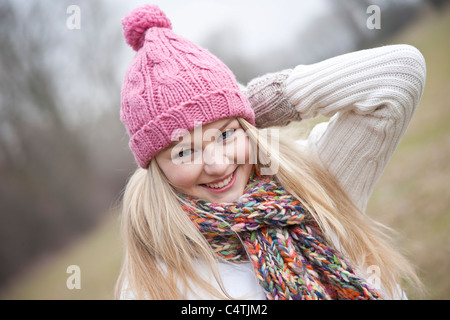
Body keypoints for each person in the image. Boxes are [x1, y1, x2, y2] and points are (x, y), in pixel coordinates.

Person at [114, 4, 426, 300]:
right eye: (184, 152)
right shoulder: (154, 281)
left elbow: (401, 73)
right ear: (156, 166)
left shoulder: (313, 176)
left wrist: (251, 103)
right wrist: (224, 116)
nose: (218, 164)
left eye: (226, 135)